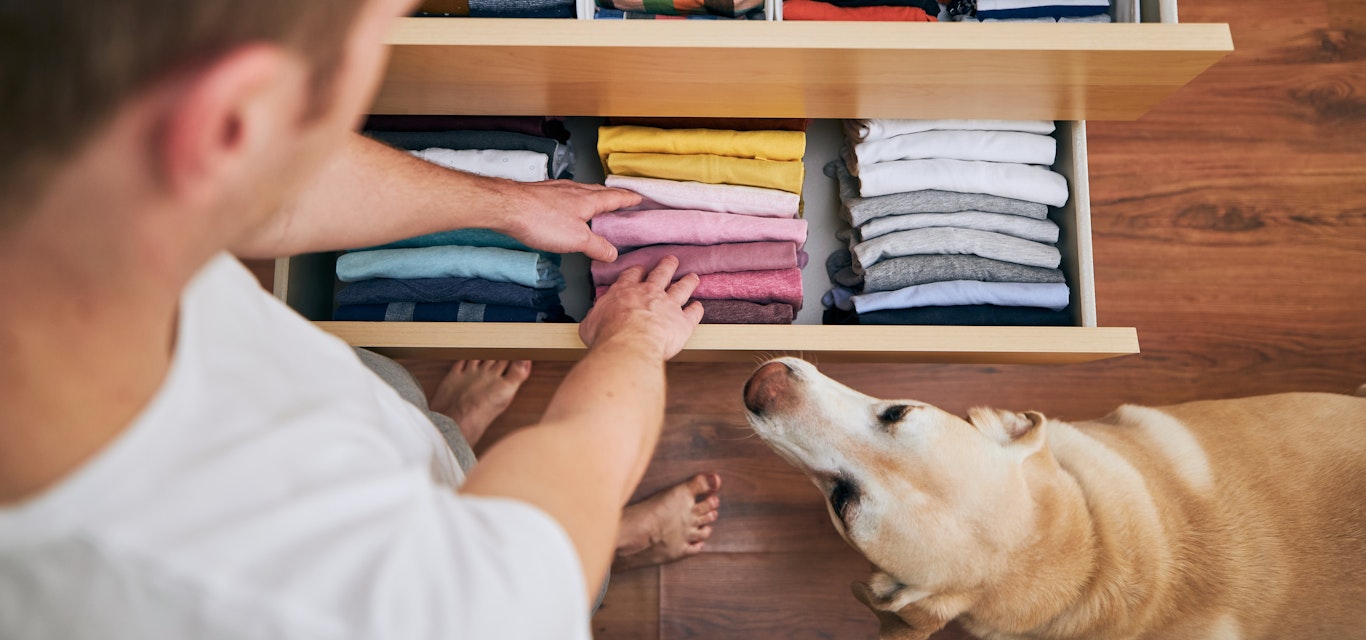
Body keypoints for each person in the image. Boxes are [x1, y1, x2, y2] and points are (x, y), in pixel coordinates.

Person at [0, 0, 717, 637]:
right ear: (230, 122)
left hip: (353, 417)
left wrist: (509, 202)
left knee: (398, 402)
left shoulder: (67, 166)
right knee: (576, 560)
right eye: (381, 33)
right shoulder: (384, 604)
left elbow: (273, 188)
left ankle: (443, 435)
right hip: (499, 575)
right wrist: (637, 340)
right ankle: (617, 543)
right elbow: (568, 494)